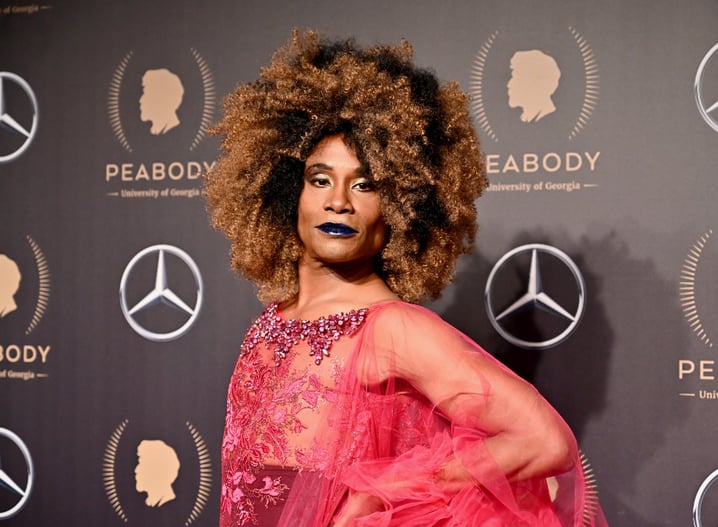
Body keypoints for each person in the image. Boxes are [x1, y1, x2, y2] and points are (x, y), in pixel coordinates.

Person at [205, 29, 607, 527]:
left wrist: (390, 490)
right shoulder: (267, 324)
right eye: (320, 179)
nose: (339, 202)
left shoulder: (394, 328)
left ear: (402, 206)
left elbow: (545, 440)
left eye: (366, 184)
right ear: (286, 193)